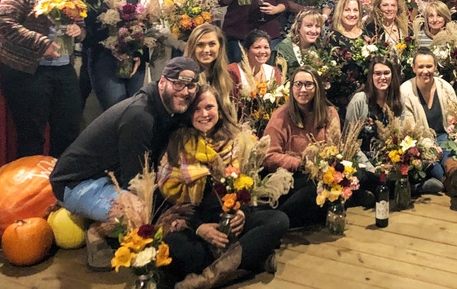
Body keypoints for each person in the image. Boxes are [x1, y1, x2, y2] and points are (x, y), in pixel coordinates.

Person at [158, 86, 289, 287]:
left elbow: (244, 188)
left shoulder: (233, 142)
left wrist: (242, 214)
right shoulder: (179, 144)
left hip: (232, 223)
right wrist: (200, 228)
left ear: (219, 111)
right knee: (177, 250)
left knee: (278, 220)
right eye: (196, 109)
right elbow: (171, 203)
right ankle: (249, 263)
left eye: (209, 107)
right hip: (197, 228)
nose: (204, 114)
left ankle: (210, 278)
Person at [50, 57, 200, 223]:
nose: (185, 92)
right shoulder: (140, 117)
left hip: (110, 177)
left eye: (191, 86)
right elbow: (135, 181)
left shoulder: (167, 110)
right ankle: (97, 238)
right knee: (138, 213)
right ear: (163, 82)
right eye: (178, 84)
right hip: (77, 184)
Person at [0, 0, 85, 158]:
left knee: (68, 132)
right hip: (28, 72)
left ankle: (57, 188)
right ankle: (30, 190)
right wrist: (41, 44)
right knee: (31, 138)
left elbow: (80, 24)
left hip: (63, 69)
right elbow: (4, 22)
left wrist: (79, 31)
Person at [400, 48, 457, 203]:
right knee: (434, 163)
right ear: (414, 68)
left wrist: (455, 136)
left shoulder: (445, 87)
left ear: (435, 67)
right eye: (421, 66)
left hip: (444, 135)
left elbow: (453, 120)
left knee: (449, 154)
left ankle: (456, 175)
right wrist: (428, 146)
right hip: (420, 141)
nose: (425, 71)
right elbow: (409, 129)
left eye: (429, 66)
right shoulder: (405, 92)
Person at [263, 67, 341, 227]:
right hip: (292, 177)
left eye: (308, 84)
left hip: (323, 172)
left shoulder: (329, 113)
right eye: (298, 84)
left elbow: (336, 148)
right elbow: (269, 156)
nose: (302, 89)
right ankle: (279, 221)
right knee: (313, 187)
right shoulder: (281, 116)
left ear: (317, 87)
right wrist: (299, 163)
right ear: (291, 88)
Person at [82, 0, 146, 111]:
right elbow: (87, 34)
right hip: (104, 62)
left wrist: (138, 53)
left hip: (134, 65)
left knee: (135, 112)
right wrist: (113, 47)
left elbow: (143, 30)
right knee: (116, 113)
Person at [344, 57, 404, 198]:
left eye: (386, 73)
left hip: (388, 161)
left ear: (392, 76)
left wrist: (390, 164)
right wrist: (371, 168)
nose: (382, 77)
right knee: (364, 177)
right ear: (371, 77)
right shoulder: (359, 100)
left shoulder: (398, 101)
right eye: (377, 73)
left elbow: (401, 137)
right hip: (363, 161)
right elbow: (349, 141)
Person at [327, 0, 367, 119]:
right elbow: (334, 72)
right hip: (342, 98)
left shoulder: (366, 35)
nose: (352, 14)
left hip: (365, 95)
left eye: (355, 10)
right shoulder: (334, 37)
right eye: (347, 10)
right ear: (340, 12)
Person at [184, 24, 236, 117]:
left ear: (220, 47)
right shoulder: (185, 79)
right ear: (192, 48)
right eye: (200, 45)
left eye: (212, 44)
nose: (206, 50)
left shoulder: (227, 76)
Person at [228, 29, 282, 95]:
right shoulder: (233, 71)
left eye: (266, 47)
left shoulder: (273, 72)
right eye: (257, 47)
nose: (262, 51)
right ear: (246, 51)